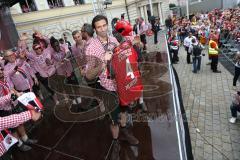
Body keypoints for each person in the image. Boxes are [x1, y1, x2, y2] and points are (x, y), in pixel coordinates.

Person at [85, 15, 139, 160]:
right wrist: (103, 61)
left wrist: (132, 44)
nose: (102, 29)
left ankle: (125, 132)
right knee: (113, 119)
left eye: (104, 25)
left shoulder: (114, 39)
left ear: (107, 25)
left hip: (121, 85)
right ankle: (116, 142)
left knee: (124, 111)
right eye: (99, 27)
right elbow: (89, 75)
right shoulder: (91, 48)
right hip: (107, 87)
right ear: (95, 29)